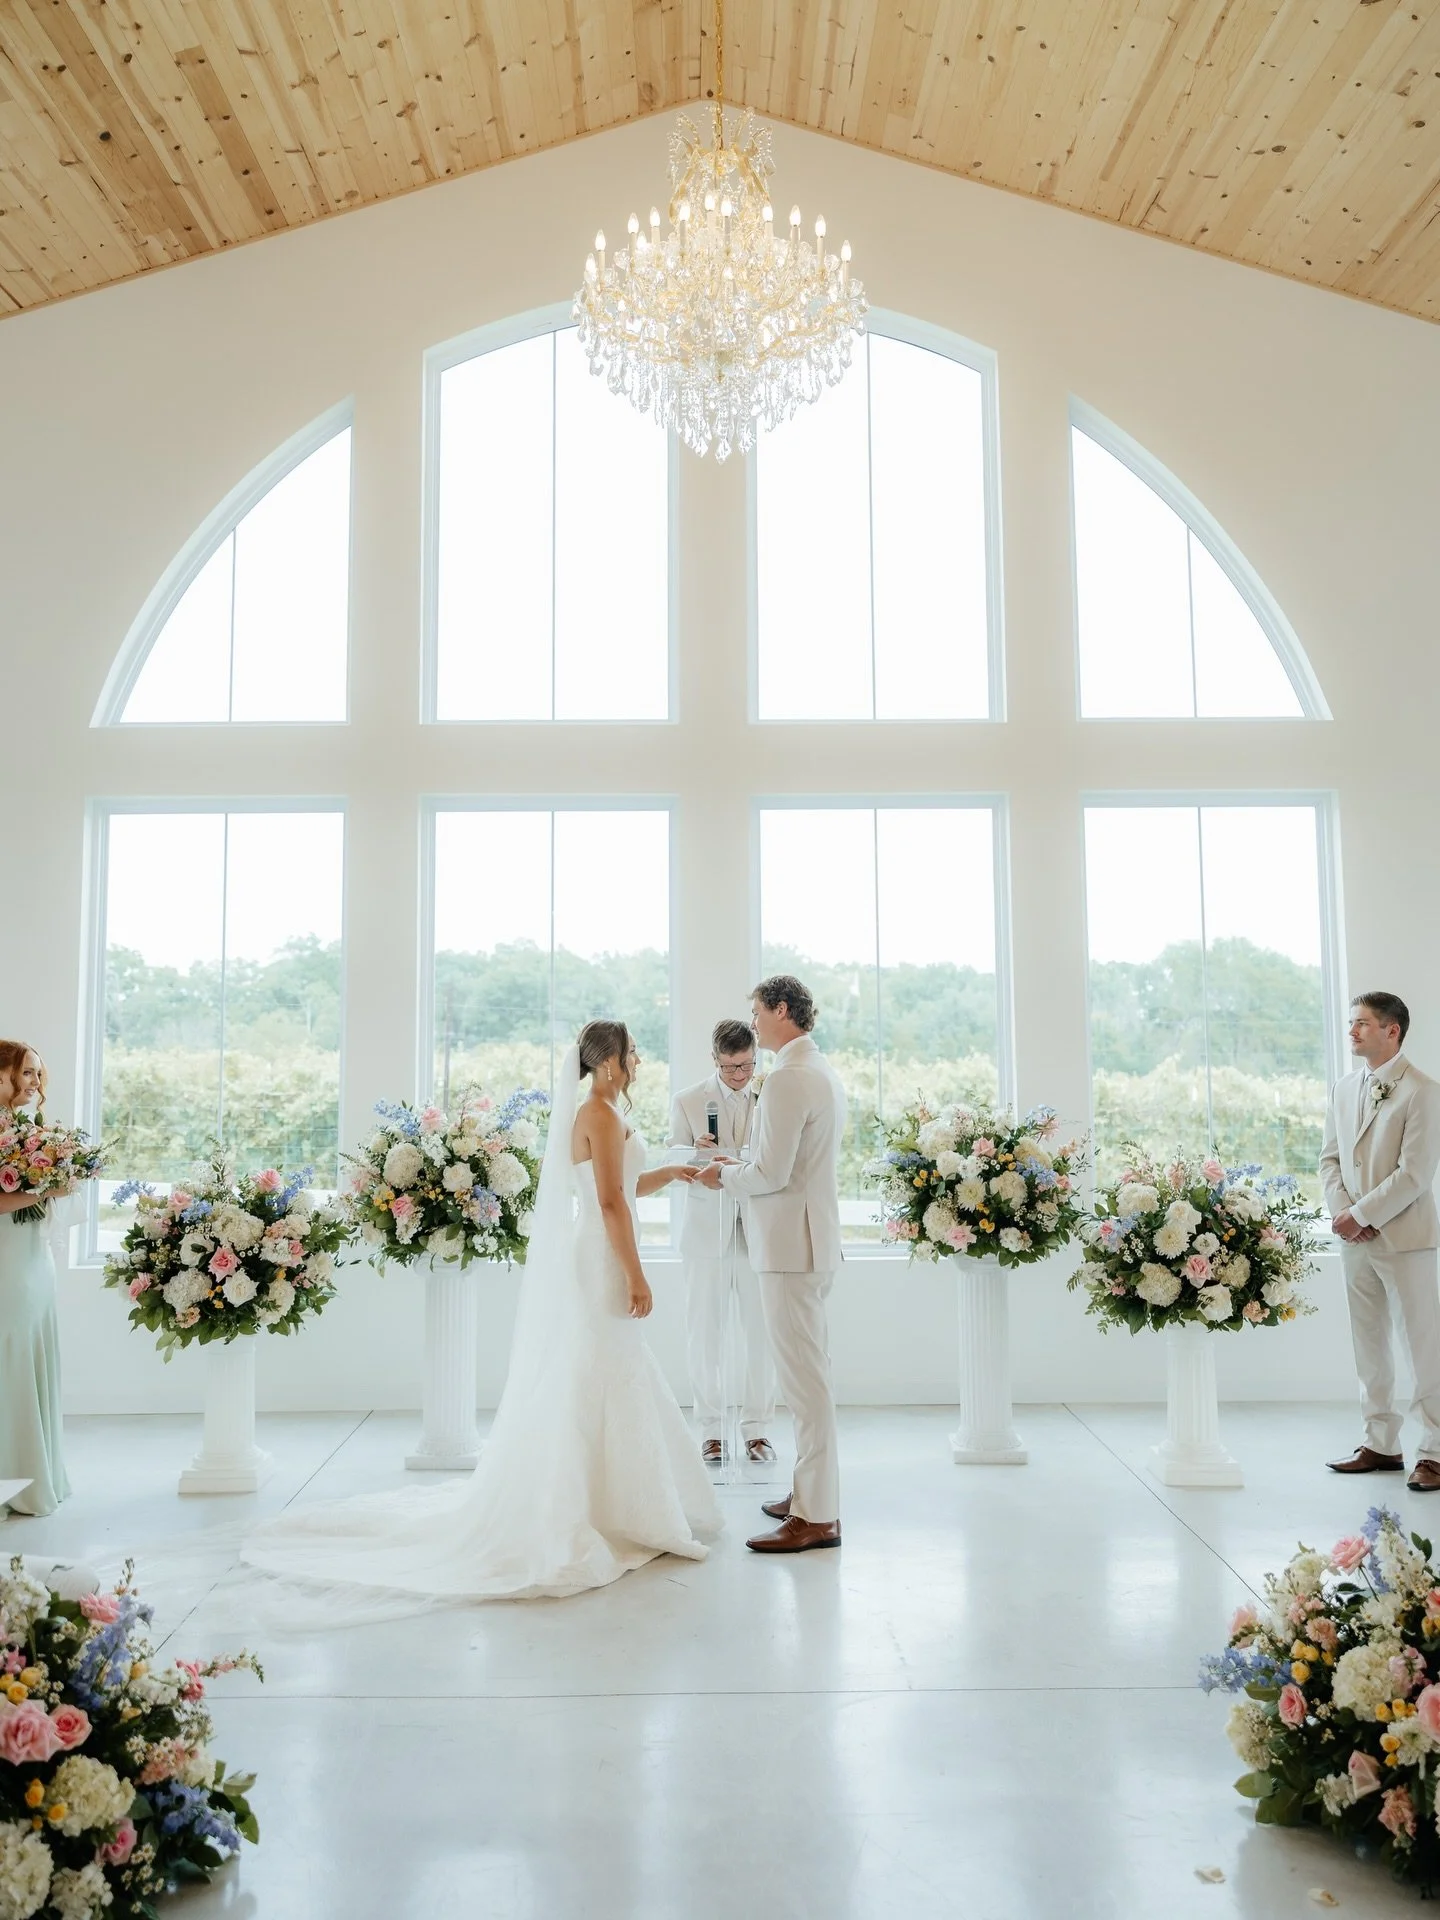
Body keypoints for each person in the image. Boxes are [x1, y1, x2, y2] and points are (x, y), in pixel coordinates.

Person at [242, 1021, 719, 1611]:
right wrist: (638, 1274)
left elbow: (620, 1184)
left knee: (605, 1367)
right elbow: (608, 1200)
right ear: (607, 1064)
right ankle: (599, 1508)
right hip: (602, 1255)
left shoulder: (601, 1112)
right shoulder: (598, 1112)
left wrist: (669, 1174)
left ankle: (614, 1502)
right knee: (605, 1366)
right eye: (631, 1052)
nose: (639, 1059)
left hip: (600, 1247)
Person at [697, 975, 846, 1554]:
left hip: (789, 1249)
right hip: (809, 1242)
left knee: (805, 1386)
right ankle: (809, 1494)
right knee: (810, 1377)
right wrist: (744, 1162)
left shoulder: (786, 1078)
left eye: (757, 1012)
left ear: (781, 1010)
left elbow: (770, 1176)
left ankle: (816, 1516)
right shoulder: (818, 1068)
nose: (753, 1023)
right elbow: (787, 1162)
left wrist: (722, 1174)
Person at [1321, 992, 1440, 1491]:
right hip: (1355, 1240)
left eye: (1362, 1024)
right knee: (1368, 1342)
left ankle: (1434, 1451)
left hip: (1406, 1239)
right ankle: (1380, 1444)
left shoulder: (1423, 1091)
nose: (1352, 1032)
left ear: (1392, 1030)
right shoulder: (1345, 1087)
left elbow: (1415, 1175)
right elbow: (1329, 1159)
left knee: (1421, 1346)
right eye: (1351, 1023)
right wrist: (1344, 1214)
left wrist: (1363, 1214)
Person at [670, 1019, 776, 1466]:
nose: (740, 1076)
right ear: (715, 1059)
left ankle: (756, 1430)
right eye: (731, 1068)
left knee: (762, 1334)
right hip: (705, 1230)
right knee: (704, 1334)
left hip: (758, 1231)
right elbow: (670, 1162)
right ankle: (711, 1431)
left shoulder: (772, 1093)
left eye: (748, 1066)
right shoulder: (689, 1100)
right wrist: (695, 1151)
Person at [0, 1040, 71, 1516]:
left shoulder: (23, 1129)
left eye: (39, 1075)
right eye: (27, 1072)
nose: (36, 1083)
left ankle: (34, 1473)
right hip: (6, 1261)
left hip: (33, 1260)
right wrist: (47, 1185)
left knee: (31, 1352)